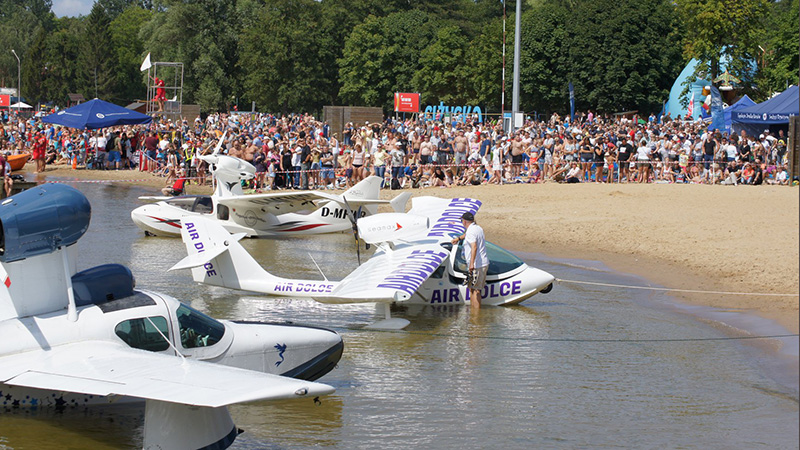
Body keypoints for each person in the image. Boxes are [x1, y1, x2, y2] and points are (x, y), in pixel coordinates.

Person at [450, 212, 489, 309]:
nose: (461, 222)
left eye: (461, 220)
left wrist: (471, 264)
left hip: (477, 265)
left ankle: (475, 318)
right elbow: (467, 235)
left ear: (465, 221)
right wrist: (458, 238)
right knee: (472, 289)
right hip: (482, 263)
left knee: (476, 291)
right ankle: (473, 313)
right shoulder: (477, 228)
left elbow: (474, 247)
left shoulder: (471, 231)